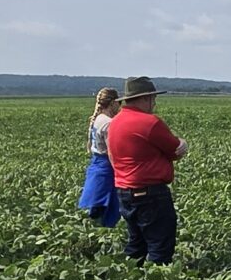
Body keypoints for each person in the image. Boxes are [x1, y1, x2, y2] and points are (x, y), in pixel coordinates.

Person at [106, 75, 188, 263]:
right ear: (144, 98)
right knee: (160, 245)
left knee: (136, 245)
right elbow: (175, 150)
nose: (154, 103)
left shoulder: (115, 123)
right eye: (153, 98)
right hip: (151, 194)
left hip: (124, 192)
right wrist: (183, 144)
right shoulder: (150, 123)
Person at [76, 87, 122, 227]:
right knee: (110, 206)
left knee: (98, 206)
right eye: (118, 103)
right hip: (107, 168)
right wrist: (120, 172)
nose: (119, 107)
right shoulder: (109, 123)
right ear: (113, 103)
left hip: (97, 164)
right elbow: (111, 152)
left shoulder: (98, 119)